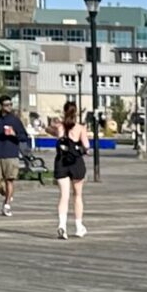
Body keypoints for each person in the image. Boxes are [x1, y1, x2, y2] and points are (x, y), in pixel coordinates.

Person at [0, 99, 30, 216]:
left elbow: (24, 136)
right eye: (6, 105)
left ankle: (7, 205)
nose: (9, 107)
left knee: (9, 180)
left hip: (11, 155)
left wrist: (14, 134)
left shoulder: (15, 120)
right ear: (0, 106)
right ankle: (5, 193)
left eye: (10, 104)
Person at [53, 102, 90, 238]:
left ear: (64, 111)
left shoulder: (59, 127)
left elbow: (52, 132)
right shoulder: (80, 128)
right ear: (76, 113)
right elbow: (86, 145)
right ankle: (79, 226)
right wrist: (85, 150)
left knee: (64, 195)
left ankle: (62, 225)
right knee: (78, 195)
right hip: (76, 163)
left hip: (61, 162)